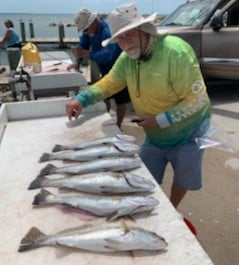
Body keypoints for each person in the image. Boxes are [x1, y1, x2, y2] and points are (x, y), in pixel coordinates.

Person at [65, 2, 211, 208]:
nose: (124, 43)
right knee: (143, 177)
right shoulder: (127, 58)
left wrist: (160, 120)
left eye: (129, 34)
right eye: (119, 38)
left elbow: (198, 100)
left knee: (183, 177)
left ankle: (173, 207)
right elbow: (109, 83)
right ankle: (156, 205)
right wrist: (82, 99)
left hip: (189, 133)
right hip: (155, 133)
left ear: (144, 29)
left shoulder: (176, 53)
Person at [68, 8, 130, 128]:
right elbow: (83, 46)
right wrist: (77, 62)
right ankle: (105, 116)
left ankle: (118, 125)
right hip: (104, 70)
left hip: (119, 69)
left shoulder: (108, 30)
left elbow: (108, 56)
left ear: (94, 22)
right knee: (104, 96)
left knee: (120, 101)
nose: (85, 32)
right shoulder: (88, 32)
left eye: (86, 29)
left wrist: (86, 54)